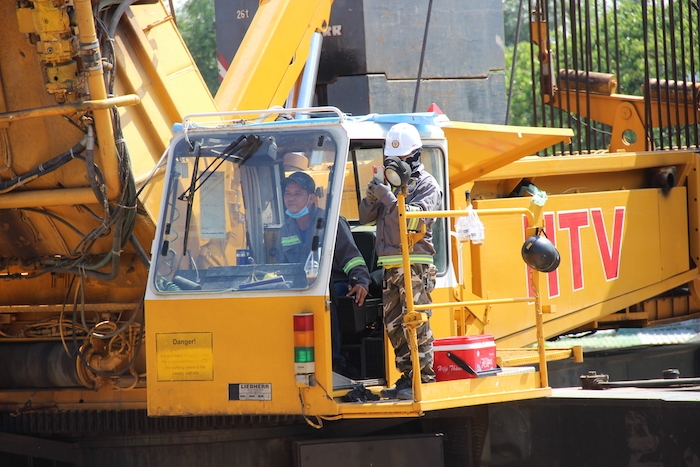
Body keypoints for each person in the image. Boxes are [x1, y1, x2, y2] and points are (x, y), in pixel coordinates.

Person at [359, 122, 442, 400]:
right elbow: (364, 218)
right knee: (394, 324)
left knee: (415, 321)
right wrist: (373, 197)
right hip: (391, 265)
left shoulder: (428, 185)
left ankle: (424, 379)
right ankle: (408, 377)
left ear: (415, 157)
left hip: (415, 264)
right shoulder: (390, 187)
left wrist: (388, 197)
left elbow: (414, 219)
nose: (396, 166)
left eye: (402, 160)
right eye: (392, 160)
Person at [276, 171, 371, 377]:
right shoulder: (285, 229)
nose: (291, 198)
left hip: (332, 283)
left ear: (311, 198)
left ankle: (335, 362)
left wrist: (361, 281)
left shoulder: (330, 223)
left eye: (297, 193)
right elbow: (282, 267)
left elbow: (352, 258)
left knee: (326, 296)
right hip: (299, 286)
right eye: (287, 193)